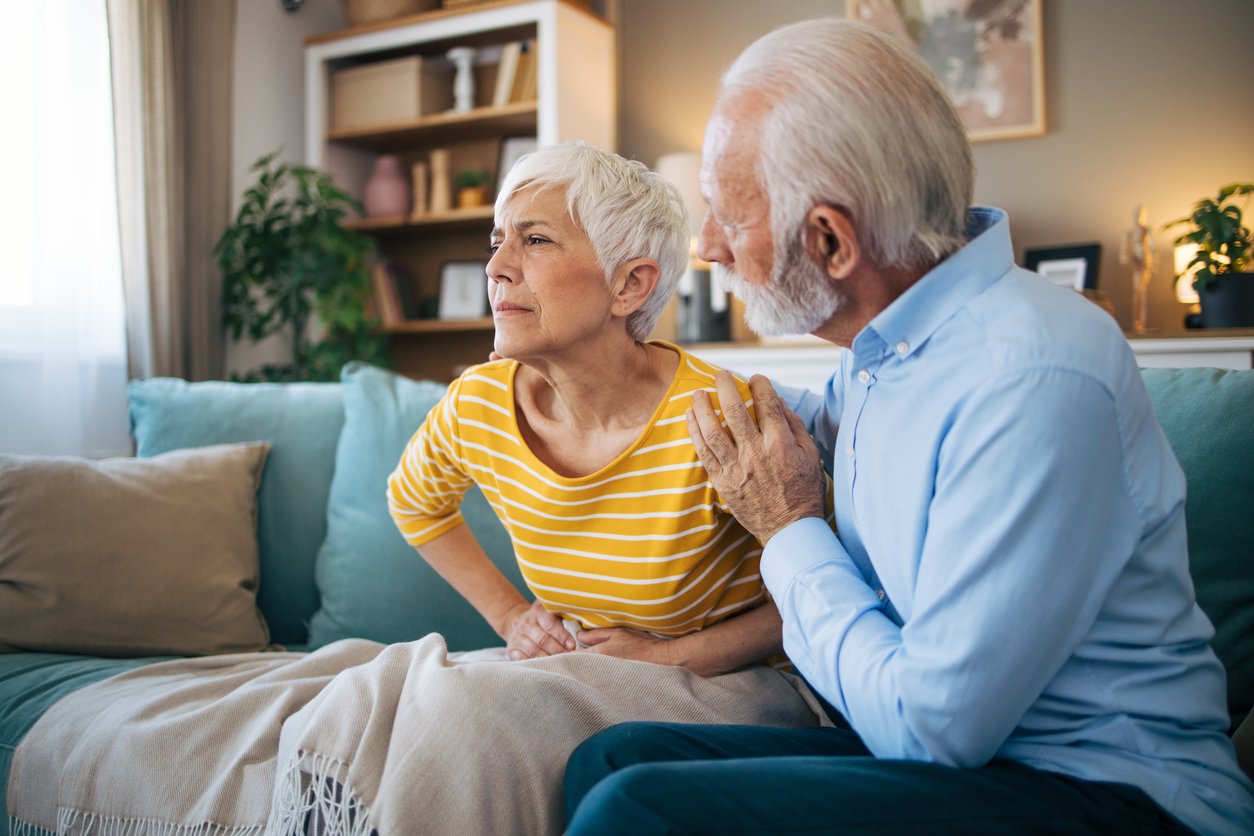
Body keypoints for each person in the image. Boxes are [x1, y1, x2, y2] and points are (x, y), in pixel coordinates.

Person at [563, 19, 1254, 836]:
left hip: (1107, 794)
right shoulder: (884, 348)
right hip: (961, 768)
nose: (707, 247)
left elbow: (931, 733)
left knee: (635, 809)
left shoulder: (1029, 377)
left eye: (725, 215)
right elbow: (792, 418)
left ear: (830, 240)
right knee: (611, 759)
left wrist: (788, 530)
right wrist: (607, 366)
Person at [389, 139, 823, 675]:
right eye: (497, 242)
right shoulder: (477, 403)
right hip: (582, 679)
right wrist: (510, 619)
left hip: (731, 691)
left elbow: (820, 593)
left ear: (630, 285)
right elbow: (414, 503)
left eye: (536, 240)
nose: (496, 267)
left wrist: (665, 659)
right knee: (376, 682)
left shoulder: (722, 418)